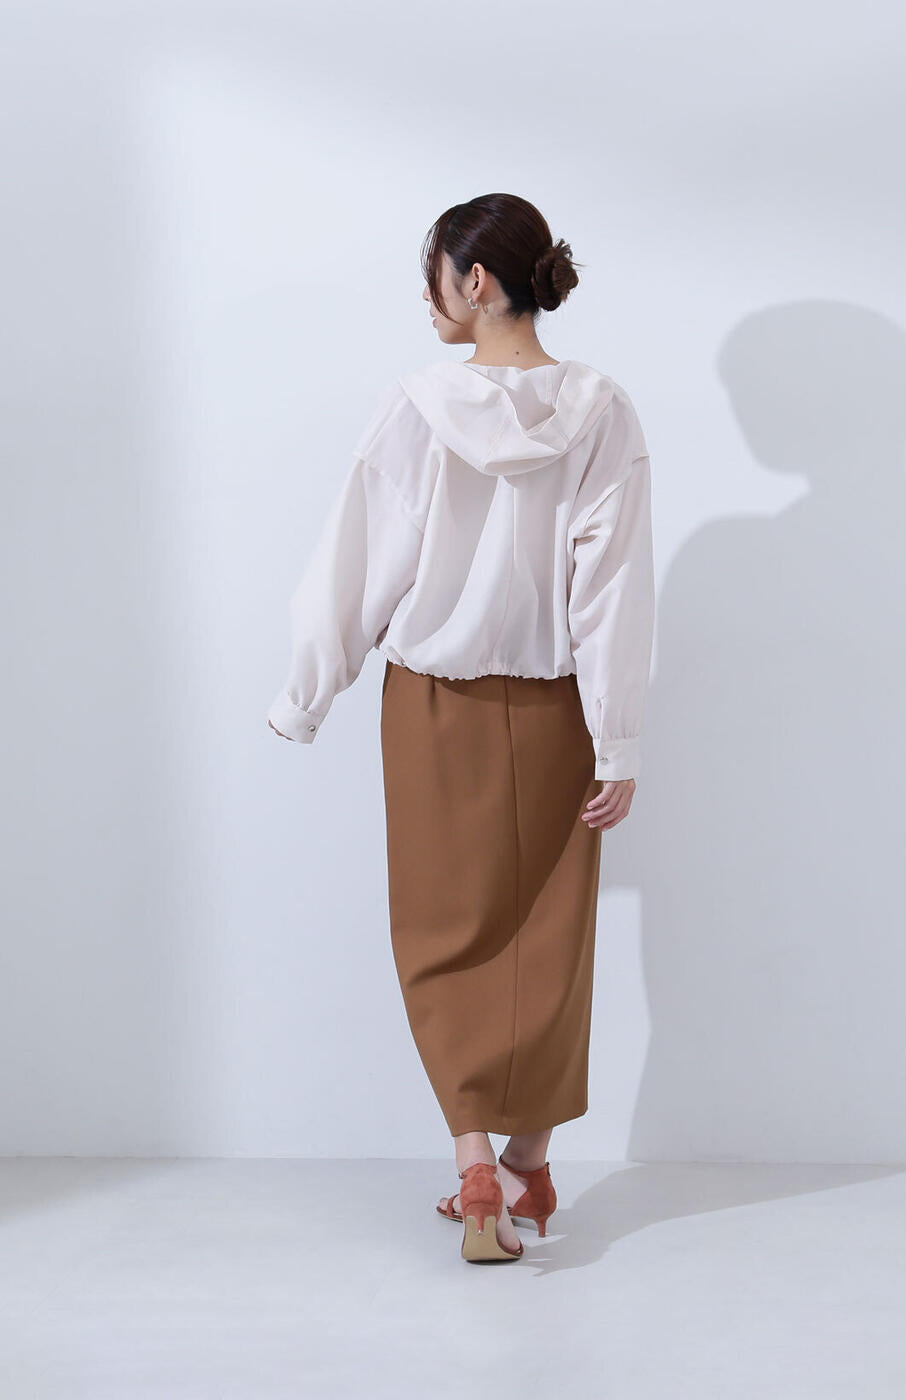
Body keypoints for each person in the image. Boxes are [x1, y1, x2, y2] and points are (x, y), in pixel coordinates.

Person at [266, 193, 655, 1263]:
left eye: (432, 277)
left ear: (474, 280)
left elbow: (357, 559)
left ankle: (478, 1164)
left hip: (433, 705)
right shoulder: (603, 410)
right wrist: (617, 738)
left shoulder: (416, 407)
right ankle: (529, 1166)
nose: (428, 300)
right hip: (558, 708)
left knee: (442, 932)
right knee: (548, 934)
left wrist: (306, 692)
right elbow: (613, 589)